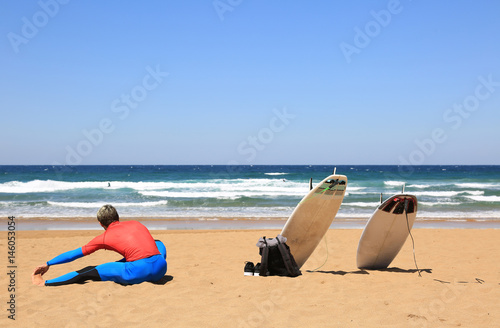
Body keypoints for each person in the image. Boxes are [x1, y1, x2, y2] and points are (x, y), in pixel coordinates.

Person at [32, 204, 167, 286]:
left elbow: (74, 254)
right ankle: (131, 262)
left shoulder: (104, 237)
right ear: (117, 217)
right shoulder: (136, 223)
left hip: (137, 273)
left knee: (89, 270)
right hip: (161, 268)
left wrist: (49, 263)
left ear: (101, 224)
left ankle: (45, 283)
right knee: (157, 242)